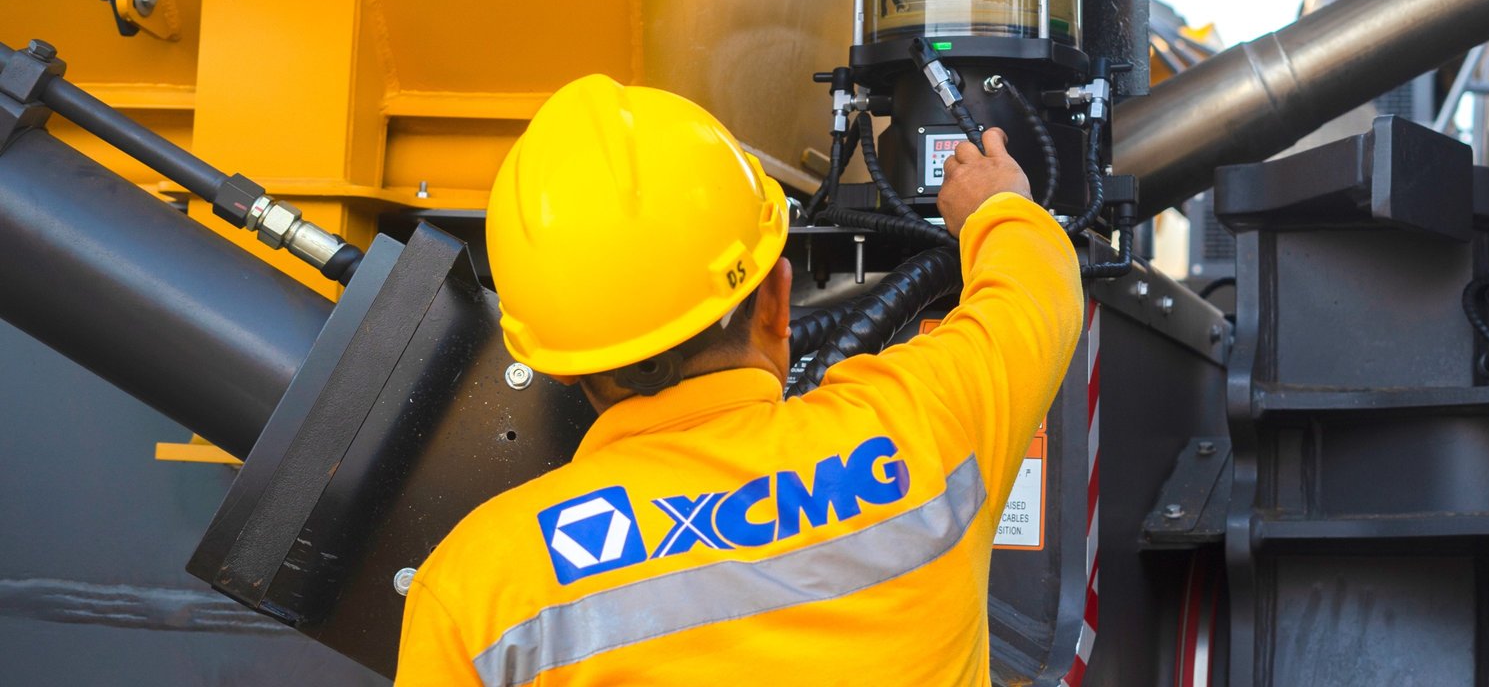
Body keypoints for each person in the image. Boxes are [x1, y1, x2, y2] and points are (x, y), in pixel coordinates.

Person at [395, 73, 1085, 685]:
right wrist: (998, 207)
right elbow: (1039, 298)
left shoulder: (476, 593)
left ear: (553, 360)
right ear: (778, 298)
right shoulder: (923, 422)